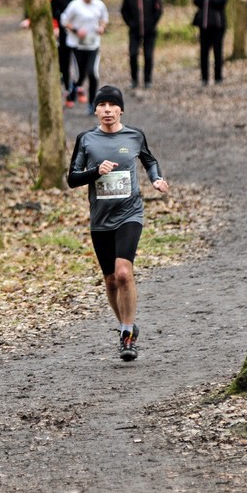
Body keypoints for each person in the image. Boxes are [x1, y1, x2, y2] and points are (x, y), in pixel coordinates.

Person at [67, 86, 169, 361]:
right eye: (102, 105)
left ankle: (127, 335)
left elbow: (150, 161)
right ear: (96, 110)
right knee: (111, 280)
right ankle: (126, 323)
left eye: (113, 105)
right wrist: (95, 172)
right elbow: (72, 178)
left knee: (123, 273)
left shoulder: (134, 135)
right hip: (100, 219)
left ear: (121, 110)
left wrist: (156, 179)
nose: (108, 110)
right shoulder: (86, 139)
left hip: (129, 214)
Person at [60, 0, 108, 114]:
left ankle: (92, 104)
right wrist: (76, 30)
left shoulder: (99, 5)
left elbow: (104, 19)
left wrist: (102, 27)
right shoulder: (75, 5)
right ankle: (72, 91)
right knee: (79, 75)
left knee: (92, 73)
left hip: (93, 45)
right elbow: (64, 20)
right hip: (77, 45)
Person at [120, 0, 163, 89]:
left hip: (150, 31)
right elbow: (124, 10)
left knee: (148, 56)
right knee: (133, 54)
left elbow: (159, 9)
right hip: (134, 31)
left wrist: (152, 22)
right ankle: (134, 79)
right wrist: (130, 23)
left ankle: (147, 80)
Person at [192, 0, 228, 86]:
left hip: (217, 28)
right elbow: (195, 1)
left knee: (217, 52)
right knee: (204, 53)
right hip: (204, 28)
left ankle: (218, 77)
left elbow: (219, 2)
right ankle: (204, 78)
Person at [52, 0, 82, 95]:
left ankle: (78, 85)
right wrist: (55, 28)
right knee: (64, 61)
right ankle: (66, 85)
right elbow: (52, 14)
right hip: (63, 32)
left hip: (79, 34)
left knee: (79, 60)